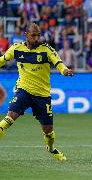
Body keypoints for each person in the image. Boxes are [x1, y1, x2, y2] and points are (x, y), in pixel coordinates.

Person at [0, 23, 74, 161]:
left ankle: (51, 148)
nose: (36, 38)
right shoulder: (16, 49)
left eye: (38, 35)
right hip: (24, 90)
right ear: (26, 35)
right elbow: (2, 60)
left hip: (42, 96)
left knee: (48, 131)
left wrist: (65, 71)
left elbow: (58, 63)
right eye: (33, 35)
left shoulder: (46, 50)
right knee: (10, 117)